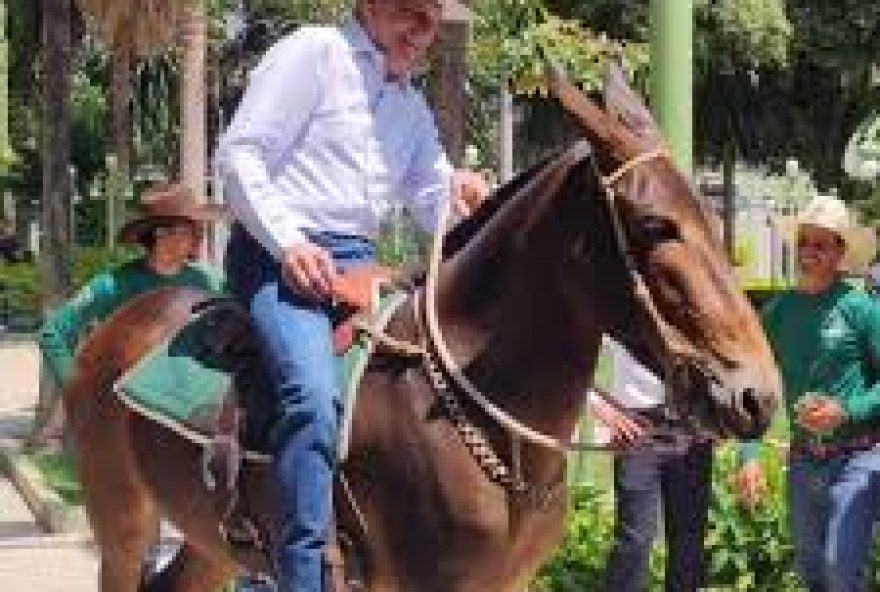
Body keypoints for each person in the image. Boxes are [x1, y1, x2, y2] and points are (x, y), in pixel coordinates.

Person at [216, 1, 488, 590]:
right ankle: (301, 573)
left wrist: (460, 195)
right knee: (312, 399)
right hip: (276, 254)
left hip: (358, 269)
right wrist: (290, 243)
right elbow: (238, 156)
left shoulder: (410, 105)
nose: (422, 29)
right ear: (368, 5)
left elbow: (430, 195)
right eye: (409, 11)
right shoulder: (315, 52)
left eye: (432, 17)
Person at [733, 194, 880, 592]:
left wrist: (846, 410)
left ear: (840, 252)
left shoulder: (861, 308)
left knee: (839, 570)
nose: (809, 252)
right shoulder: (778, 312)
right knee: (813, 576)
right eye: (804, 242)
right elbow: (755, 388)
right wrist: (749, 456)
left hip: (858, 459)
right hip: (803, 464)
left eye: (820, 244)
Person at [36, 183, 225, 440]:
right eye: (191, 229)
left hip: (195, 418)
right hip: (129, 421)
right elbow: (53, 332)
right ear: (161, 234)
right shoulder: (114, 284)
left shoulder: (211, 283)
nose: (199, 236)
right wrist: (77, 390)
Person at [589, 336, 714, 592]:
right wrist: (597, 404)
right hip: (637, 428)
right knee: (635, 538)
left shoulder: (693, 305)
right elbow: (569, 343)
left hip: (693, 425)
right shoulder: (627, 307)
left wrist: (718, 417)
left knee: (689, 539)